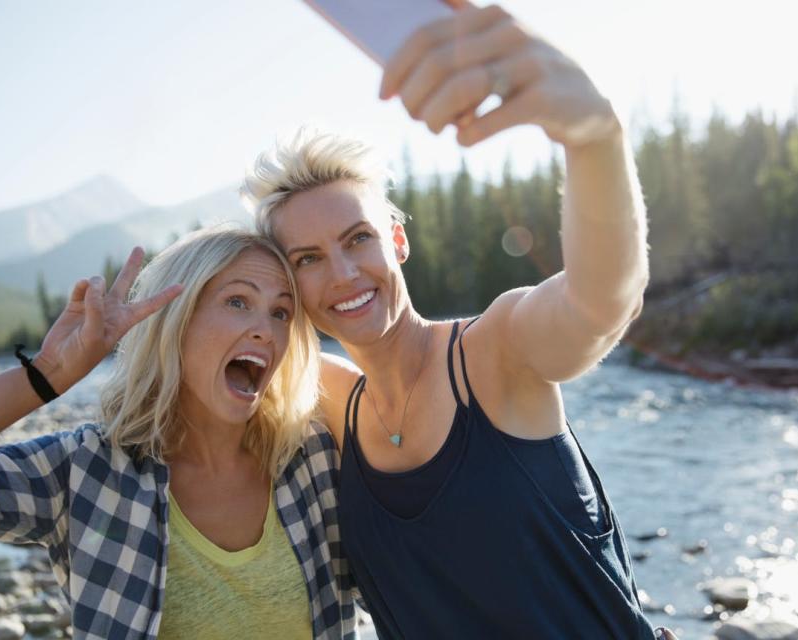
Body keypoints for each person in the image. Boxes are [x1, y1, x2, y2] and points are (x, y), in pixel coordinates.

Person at [242, 3, 675, 639]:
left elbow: (597, 305)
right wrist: (59, 370)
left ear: (397, 240)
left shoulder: (493, 353)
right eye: (308, 259)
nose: (341, 274)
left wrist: (594, 136)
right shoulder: (332, 398)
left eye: (357, 239)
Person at [0, 229, 357, 639]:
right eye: (238, 302)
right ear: (176, 321)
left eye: (281, 312)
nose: (265, 329)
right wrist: (49, 373)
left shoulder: (313, 459)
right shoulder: (88, 472)